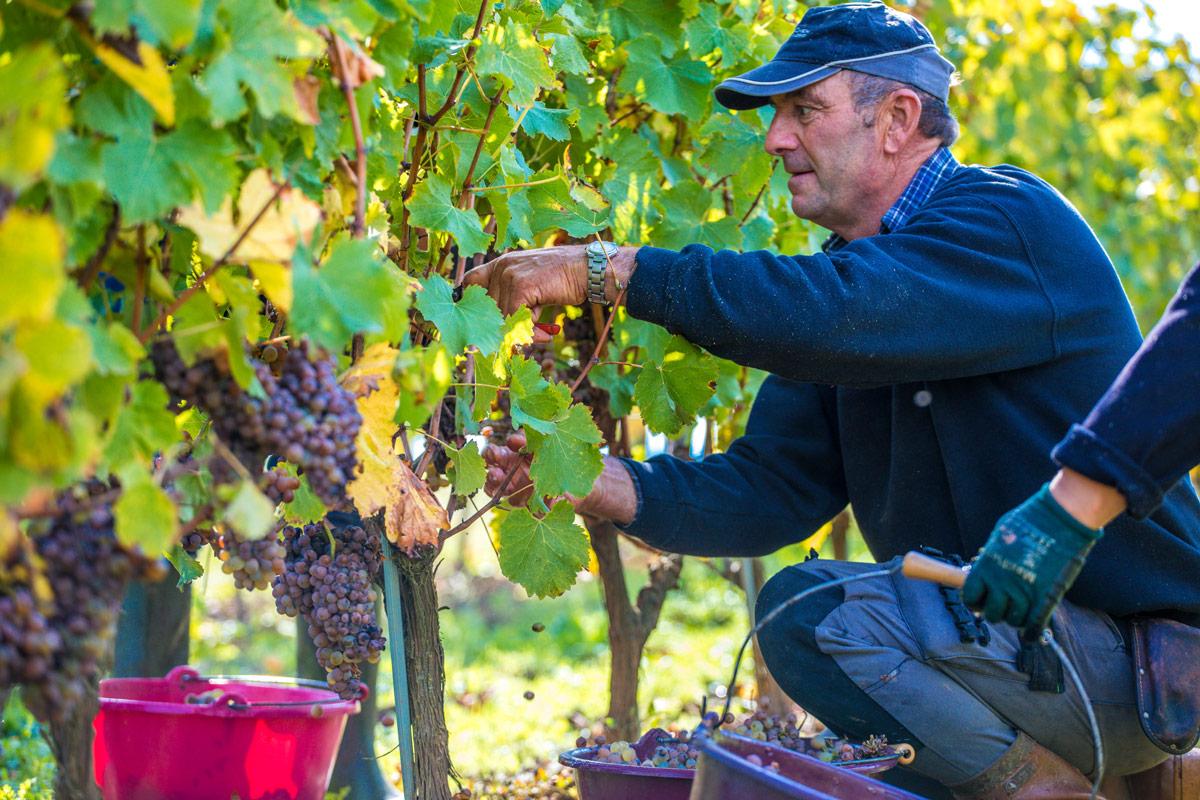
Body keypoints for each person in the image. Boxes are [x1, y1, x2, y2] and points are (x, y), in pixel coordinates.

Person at [463, 3, 1200, 798]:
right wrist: (598, 483)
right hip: (1000, 654)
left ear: (897, 119)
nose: (778, 138)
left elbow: (833, 313)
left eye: (805, 110)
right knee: (831, 657)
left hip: (1135, 667)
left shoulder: (1005, 223)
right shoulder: (855, 285)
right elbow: (772, 491)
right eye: (778, 117)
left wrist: (610, 272)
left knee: (809, 614)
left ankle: (1053, 790)